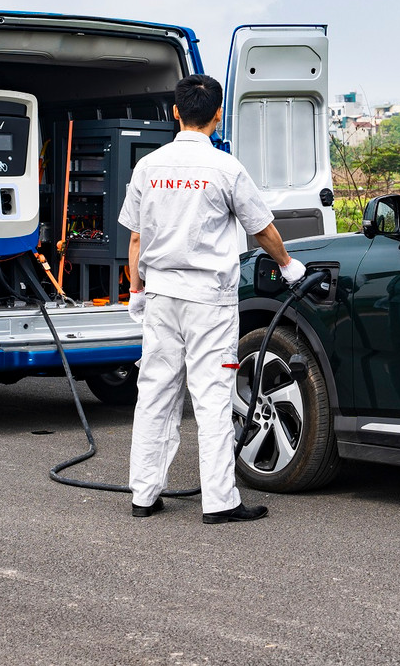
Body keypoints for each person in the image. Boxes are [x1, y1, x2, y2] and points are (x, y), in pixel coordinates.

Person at [118, 74, 306, 523]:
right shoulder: (226, 168)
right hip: (209, 300)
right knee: (212, 398)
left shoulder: (149, 167)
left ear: (175, 112)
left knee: (155, 394)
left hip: (161, 296)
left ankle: (144, 495)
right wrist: (287, 265)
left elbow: (136, 239)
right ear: (218, 115)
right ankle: (220, 502)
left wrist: (136, 290)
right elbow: (262, 229)